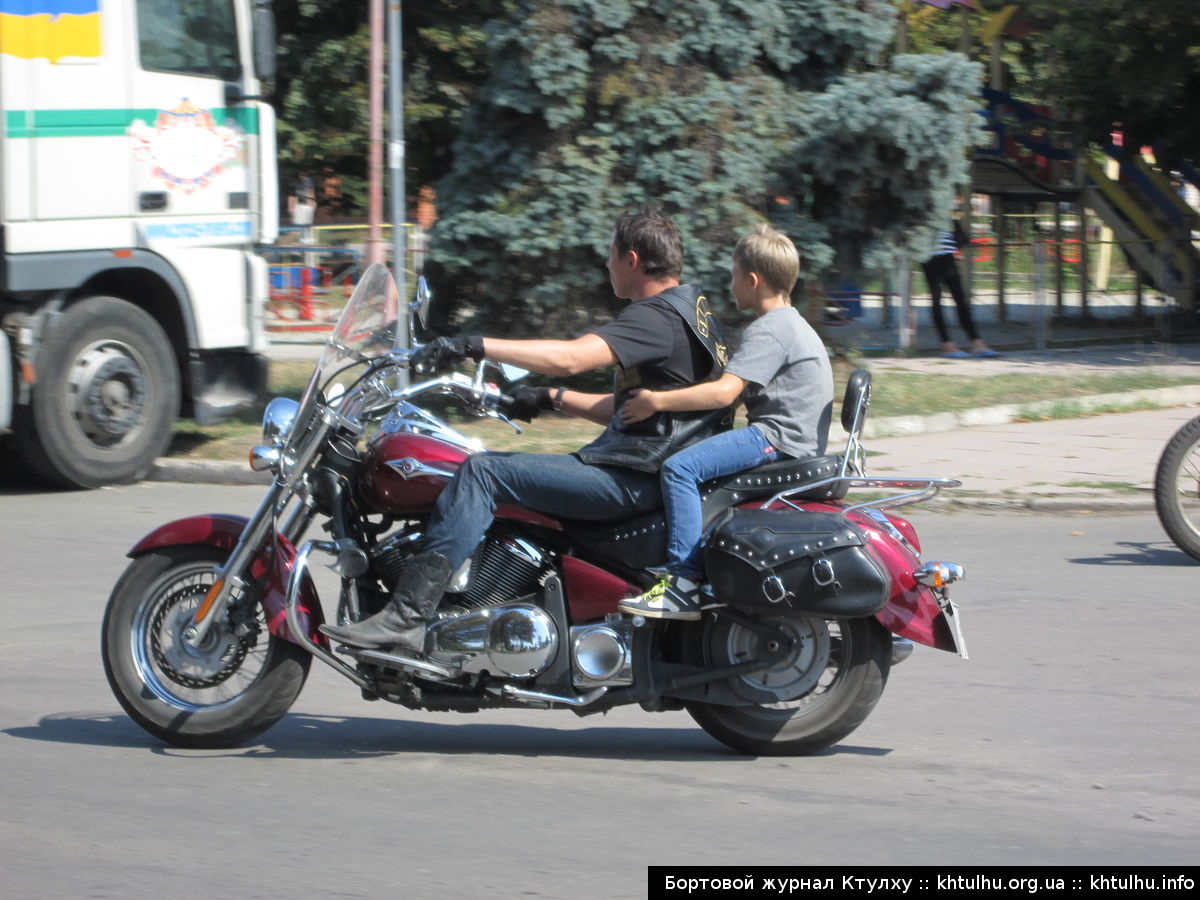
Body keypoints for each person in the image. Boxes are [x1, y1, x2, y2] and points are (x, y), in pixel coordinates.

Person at [320, 209, 730, 654]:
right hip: (648, 468)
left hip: (633, 480)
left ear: (632, 260)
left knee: (482, 472)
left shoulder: (654, 317)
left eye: (610, 255)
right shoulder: (692, 313)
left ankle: (407, 615)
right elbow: (635, 412)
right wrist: (548, 397)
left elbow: (572, 357)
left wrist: (472, 346)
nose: (605, 265)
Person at [617, 224, 833, 620]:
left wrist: (655, 401)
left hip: (775, 438)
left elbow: (722, 393)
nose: (730, 284)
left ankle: (683, 583)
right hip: (792, 437)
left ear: (753, 280)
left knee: (680, 468)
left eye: (734, 275)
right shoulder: (793, 323)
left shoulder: (770, 330)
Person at [922, 217, 998, 359]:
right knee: (937, 301)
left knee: (961, 301)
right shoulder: (922, 218)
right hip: (930, 261)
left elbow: (963, 240)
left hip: (949, 260)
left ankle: (976, 342)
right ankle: (947, 345)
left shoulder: (950, 220)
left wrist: (957, 232)